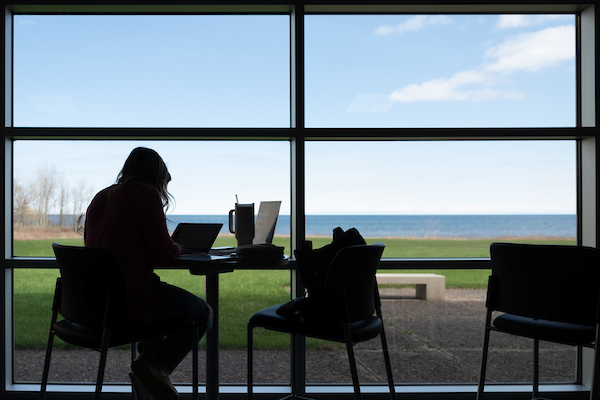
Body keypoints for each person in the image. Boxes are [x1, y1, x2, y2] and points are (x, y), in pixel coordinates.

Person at [84, 147, 212, 400]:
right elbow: (162, 253)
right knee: (203, 313)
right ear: (155, 176)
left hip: (94, 303)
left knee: (161, 310)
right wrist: (177, 247)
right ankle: (154, 369)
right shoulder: (146, 195)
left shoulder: (101, 196)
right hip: (128, 300)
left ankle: (150, 363)